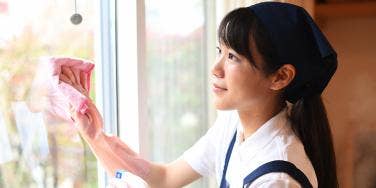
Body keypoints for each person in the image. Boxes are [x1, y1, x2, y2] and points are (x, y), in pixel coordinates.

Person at [64, 2, 339, 188]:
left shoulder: (277, 178)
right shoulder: (233, 127)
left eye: (233, 57)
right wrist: (93, 133)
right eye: (220, 51)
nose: (216, 68)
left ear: (280, 77)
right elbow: (164, 178)